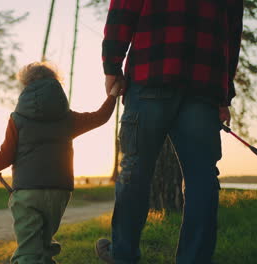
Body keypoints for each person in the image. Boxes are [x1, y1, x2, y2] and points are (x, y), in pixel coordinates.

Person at [95, 0, 243, 263]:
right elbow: (232, 31)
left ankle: (123, 255)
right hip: (205, 83)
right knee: (202, 179)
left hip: (151, 72)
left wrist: (112, 65)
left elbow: (123, 9)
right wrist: (224, 94)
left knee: (135, 171)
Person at [0, 61, 118, 264]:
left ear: (25, 86)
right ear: (56, 85)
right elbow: (100, 117)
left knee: (28, 248)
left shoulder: (18, 119)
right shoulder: (67, 119)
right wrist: (113, 95)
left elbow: (6, 154)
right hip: (59, 192)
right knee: (43, 243)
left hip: (27, 193)